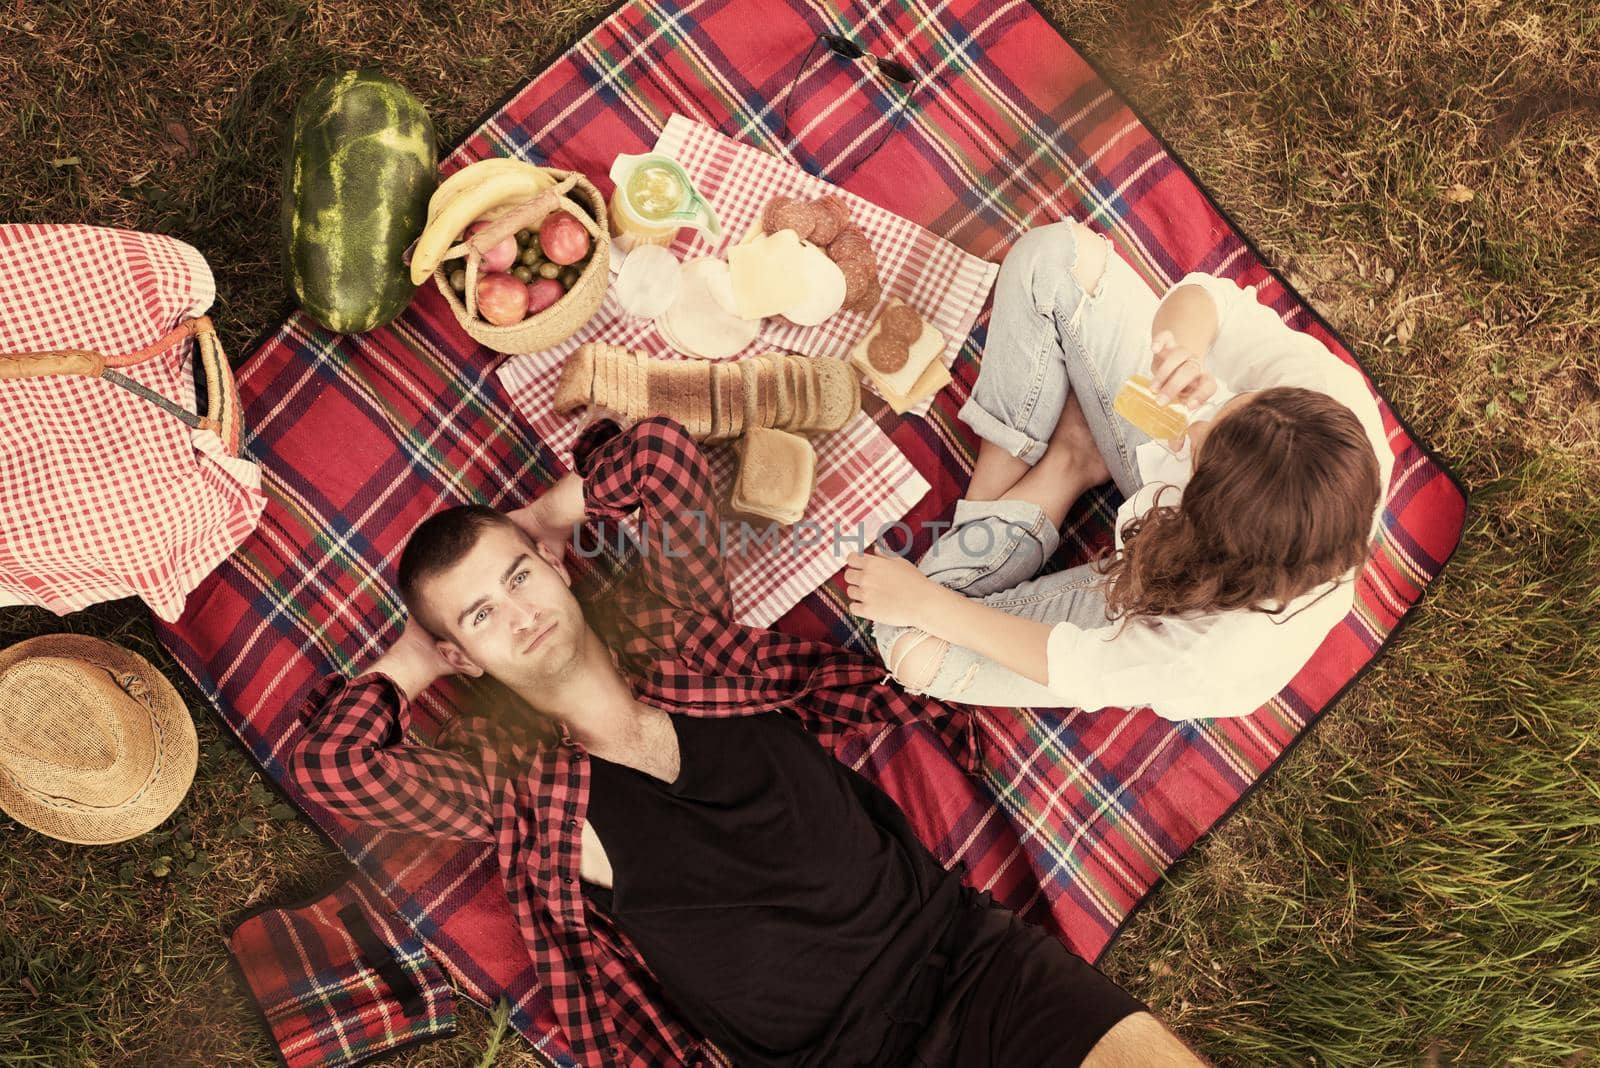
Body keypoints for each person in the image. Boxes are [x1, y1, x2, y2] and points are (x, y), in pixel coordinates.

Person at [288, 415, 1210, 1068]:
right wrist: (413, 662)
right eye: (481, 617)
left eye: (519, 578)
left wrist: (545, 517)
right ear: (465, 656)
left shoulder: (682, 629)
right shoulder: (520, 799)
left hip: (969, 957)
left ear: (556, 570)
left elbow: (657, 455)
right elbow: (332, 766)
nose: (519, 614)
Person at [847, 220, 1395, 721]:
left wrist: (927, 603)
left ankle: (1067, 463)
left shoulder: (1209, 650)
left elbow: (1077, 664)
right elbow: (1211, 300)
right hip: (1179, 477)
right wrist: (1181, 350)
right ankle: (1067, 462)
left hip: (1162, 586)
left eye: (1199, 452)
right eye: (1234, 404)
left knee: (907, 643)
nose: (1194, 425)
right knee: (1057, 257)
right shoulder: (1324, 404)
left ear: (1196, 522)